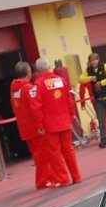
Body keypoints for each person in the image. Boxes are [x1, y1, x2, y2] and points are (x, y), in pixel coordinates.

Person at [34, 58, 82, 186]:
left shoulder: (39, 84)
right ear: (49, 67)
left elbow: (37, 107)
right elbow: (69, 101)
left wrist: (40, 124)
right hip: (64, 120)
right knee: (68, 149)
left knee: (55, 153)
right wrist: (70, 117)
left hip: (50, 124)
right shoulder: (61, 80)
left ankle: (63, 179)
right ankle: (76, 176)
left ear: (38, 70)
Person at [10, 61, 53, 190]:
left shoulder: (13, 88)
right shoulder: (29, 89)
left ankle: (47, 178)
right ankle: (42, 181)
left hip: (24, 128)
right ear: (28, 73)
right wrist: (41, 125)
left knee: (37, 155)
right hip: (35, 128)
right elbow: (35, 109)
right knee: (42, 155)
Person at [78, 52, 106, 148]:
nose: (93, 62)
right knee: (101, 120)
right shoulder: (88, 72)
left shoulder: (104, 66)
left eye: (94, 60)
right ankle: (104, 138)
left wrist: (102, 83)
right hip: (97, 98)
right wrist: (82, 101)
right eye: (91, 61)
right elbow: (81, 83)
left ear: (98, 59)